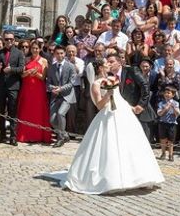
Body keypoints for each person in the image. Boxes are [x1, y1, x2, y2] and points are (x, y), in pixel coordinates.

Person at [56, 59, 164, 194]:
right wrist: (108, 94)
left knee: (131, 144)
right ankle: (112, 178)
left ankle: (139, 176)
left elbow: (120, 98)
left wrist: (131, 107)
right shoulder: (96, 84)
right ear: (100, 67)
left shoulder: (113, 79)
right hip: (108, 115)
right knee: (111, 145)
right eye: (106, 63)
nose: (109, 64)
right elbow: (99, 105)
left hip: (124, 114)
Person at [0, 31, 25, 146]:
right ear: (3, 40)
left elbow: (21, 68)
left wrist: (11, 70)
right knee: (1, 111)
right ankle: (2, 134)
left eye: (11, 39)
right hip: (1, 86)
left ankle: (13, 136)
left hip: (13, 86)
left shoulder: (19, 53)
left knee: (12, 111)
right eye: (6, 39)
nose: (9, 41)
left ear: (14, 40)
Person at [16, 41, 52, 144]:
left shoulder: (44, 61)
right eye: (33, 48)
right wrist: (28, 72)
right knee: (26, 110)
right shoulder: (26, 59)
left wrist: (35, 74)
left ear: (40, 49)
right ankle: (25, 135)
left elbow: (43, 77)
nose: (35, 50)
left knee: (38, 111)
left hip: (38, 89)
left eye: (37, 48)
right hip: (27, 88)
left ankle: (38, 135)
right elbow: (22, 75)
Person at [46, 46, 77, 147]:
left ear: (64, 54)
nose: (60, 55)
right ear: (54, 54)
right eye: (57, 53)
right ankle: (64, 134)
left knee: (60, 114)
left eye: (62, 53)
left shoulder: (71, 66)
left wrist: (61, 89)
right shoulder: (52, 67)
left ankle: (60, 138)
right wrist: (52, 88)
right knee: (52, 120)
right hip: (55, 96)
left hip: (67, 96)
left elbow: (71, 83)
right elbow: (48, 83)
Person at [65, 45, 85, 134]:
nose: (71, 53)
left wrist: (73, 64)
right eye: (69, 51)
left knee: (72, 111)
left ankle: (70, 132)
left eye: (73, 51)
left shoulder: (80, 61)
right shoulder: (62, 60)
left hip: (74, 88)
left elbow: (80, 74)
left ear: (76, 52)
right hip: (63, 87)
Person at [157, 85, 180, 162]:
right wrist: (165, 109)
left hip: (172, 124)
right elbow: (159, 114)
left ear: (173, 95)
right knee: (163, 139)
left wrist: (173, 108)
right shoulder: (161, 103)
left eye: (169, 93)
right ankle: (163, 153)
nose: (166, 94)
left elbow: (177, 113)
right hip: (163, 123)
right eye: (165, 93)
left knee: (171, 140)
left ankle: (170, 154)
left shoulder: (176, 103)